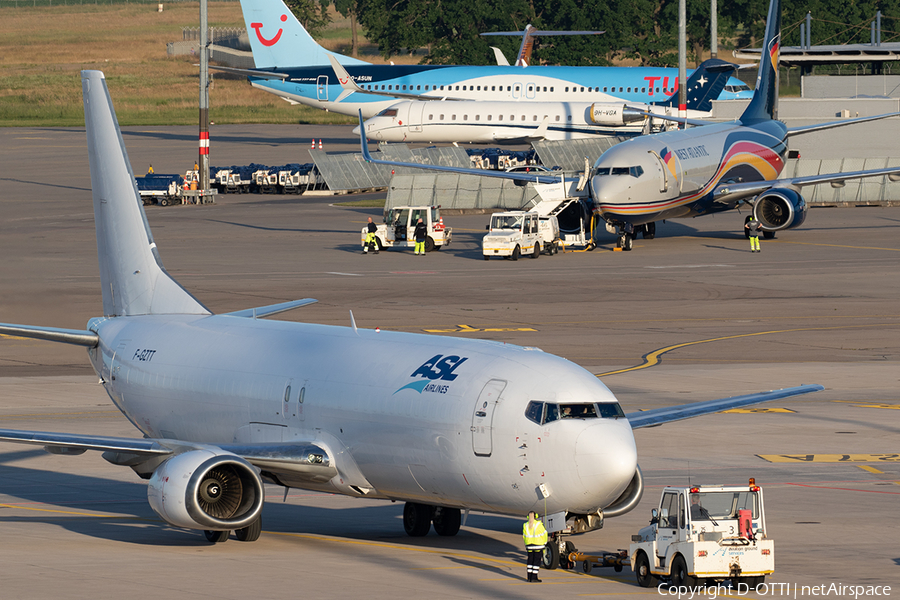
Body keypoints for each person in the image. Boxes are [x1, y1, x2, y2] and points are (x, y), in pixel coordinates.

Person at [522, 511, 548, 583]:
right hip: (538, 545)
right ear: (536, 516)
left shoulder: (525, 525)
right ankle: (534, 577)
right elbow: (544, 534)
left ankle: (529, 577)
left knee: (530, 561)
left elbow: (524, 536)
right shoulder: (539, 524)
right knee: (536, 562)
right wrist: (545, 543)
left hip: (529, 545)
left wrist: (526, 544)